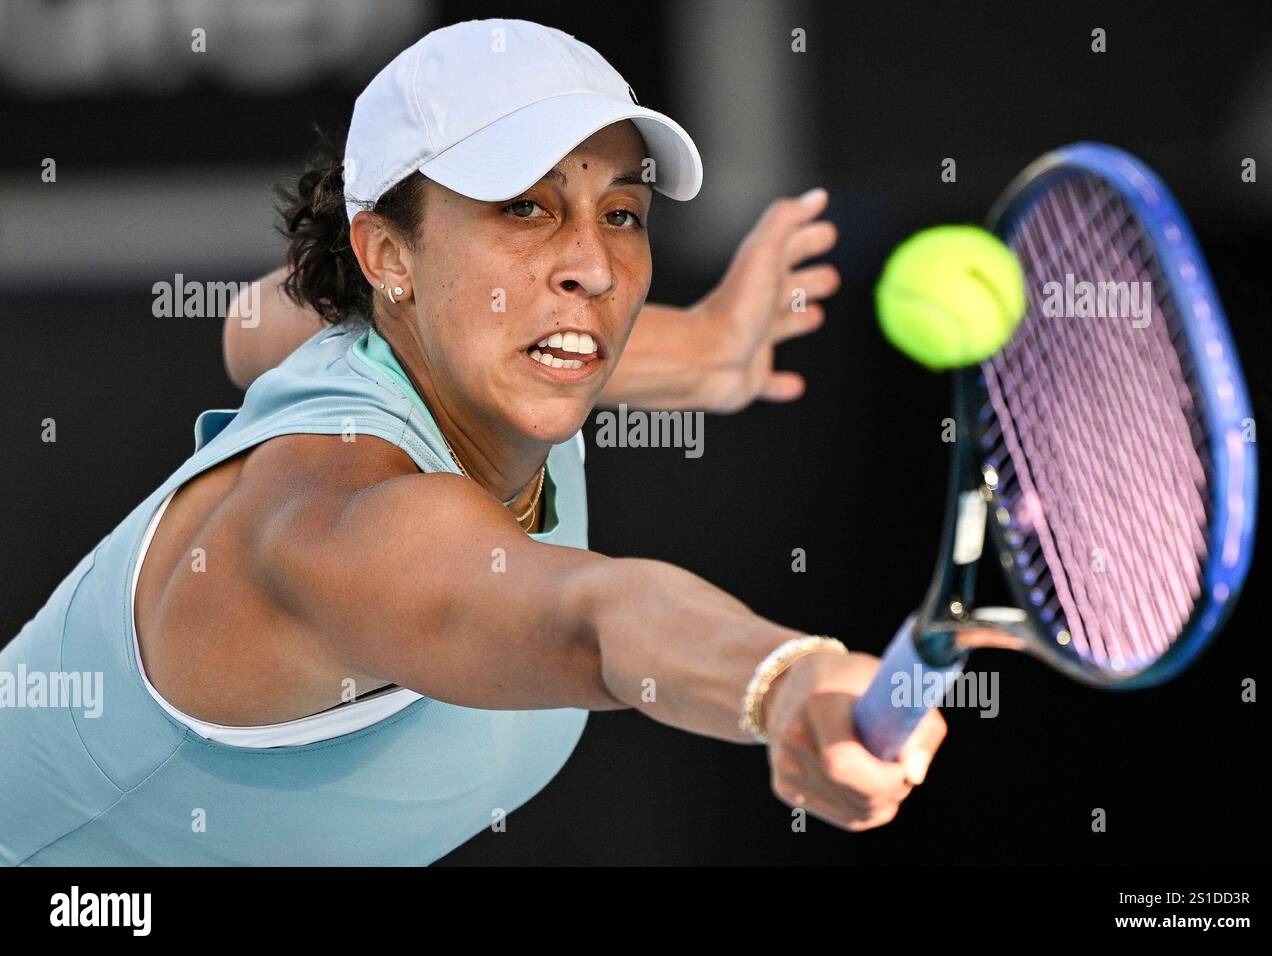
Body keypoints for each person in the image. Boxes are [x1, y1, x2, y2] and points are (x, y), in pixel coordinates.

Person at [0, 18, 945, 866]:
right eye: (523, 208)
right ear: (387, 257)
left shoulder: (422, 340)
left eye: (622, 214)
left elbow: (252, 322)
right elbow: (595, 617)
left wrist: (701, 351)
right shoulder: (333, 528)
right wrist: (785, 681)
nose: (592, 267)